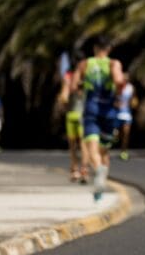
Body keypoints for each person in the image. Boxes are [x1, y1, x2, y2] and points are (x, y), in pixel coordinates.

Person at [70, 36, 125, 201]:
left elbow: (73, 86)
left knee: (91, 146)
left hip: (91, 109)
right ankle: (101, 185)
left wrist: (81, 88)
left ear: (95, 49)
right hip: (109, 111)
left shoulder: (85, 64)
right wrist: (118, 94)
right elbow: (119, 80)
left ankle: (98, 170)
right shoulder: (113, 64)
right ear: (108, 49)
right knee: (104, 149)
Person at [59, 59, 88, 183]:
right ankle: (75, 168)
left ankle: (83, 170)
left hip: (83, 115)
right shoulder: (68, 78)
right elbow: (63, 97)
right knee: (73, 145)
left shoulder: (87, 78)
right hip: (71, 115)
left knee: (82, 144)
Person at [116, 73, 137, 161]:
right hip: (117, 114)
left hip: (127, 114)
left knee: (126, 133)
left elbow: (134, 100)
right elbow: (113, 99)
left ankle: (123, 151)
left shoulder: (131, 88)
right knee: (117, 134)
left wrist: (132, 103)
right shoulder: (117, 87)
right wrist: (117, 104)